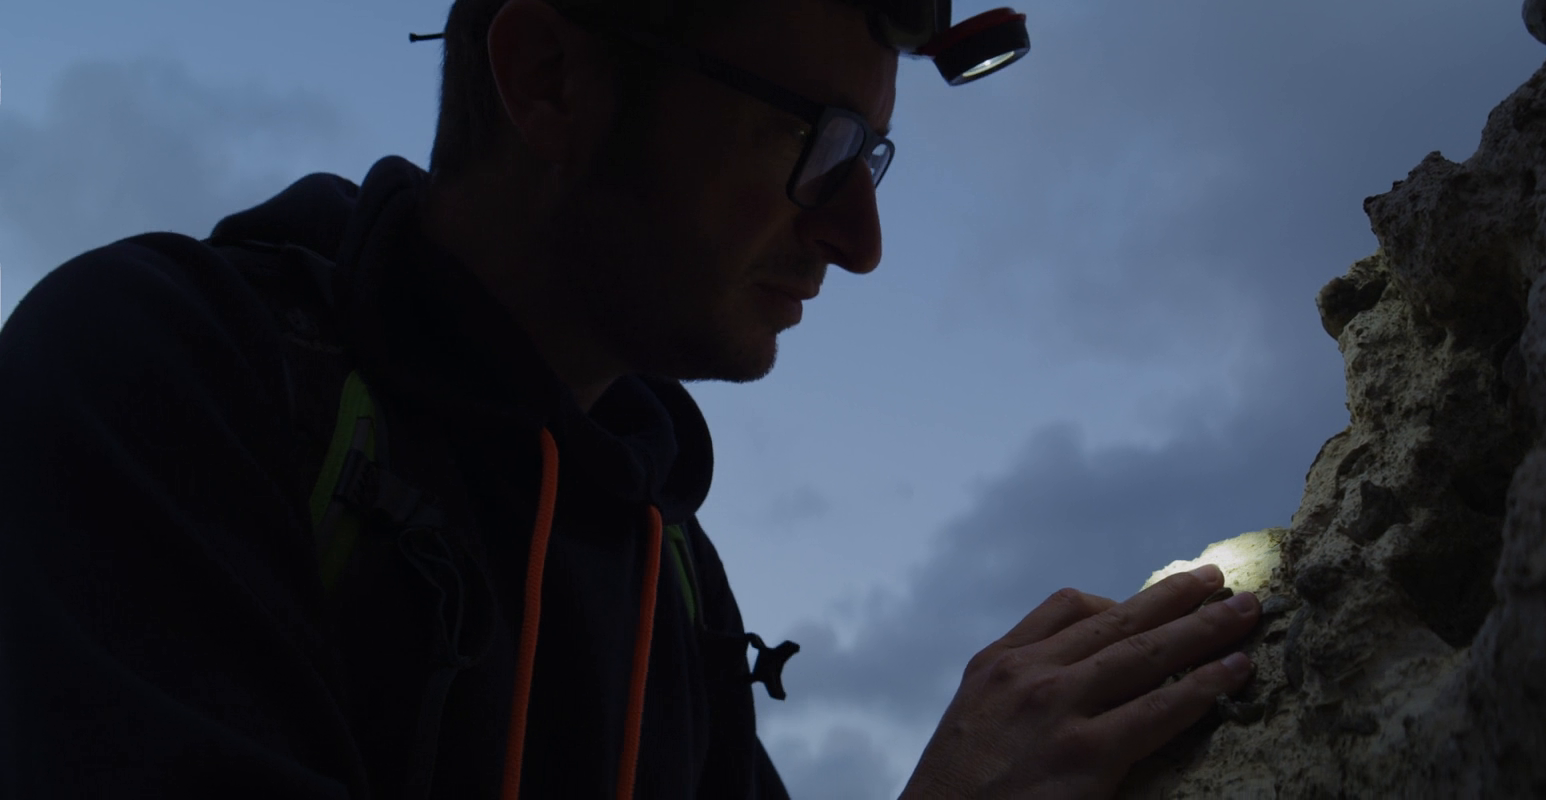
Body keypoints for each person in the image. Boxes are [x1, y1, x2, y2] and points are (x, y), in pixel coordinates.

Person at [0, 0, 1261, 797]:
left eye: (871, 156)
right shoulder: (159, 374)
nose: (861, 238)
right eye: (818, 145)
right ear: (551, 76)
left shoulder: (675, 578)